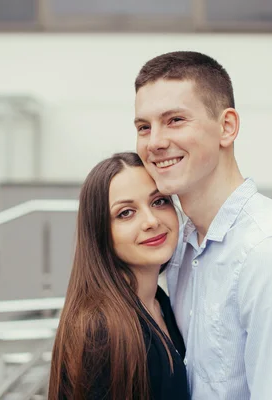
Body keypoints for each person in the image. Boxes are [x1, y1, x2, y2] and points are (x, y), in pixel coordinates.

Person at [134, 51, 272, 399]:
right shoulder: (182, 247)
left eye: (175, 120)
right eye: (144, 127)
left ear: (227, 127)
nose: (154, 142)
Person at [48, 152, 189, 400]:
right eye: (126, 213)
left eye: (158, 202)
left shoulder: (160, 302)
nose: (150, 221)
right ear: (100, 233)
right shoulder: (100, 329)